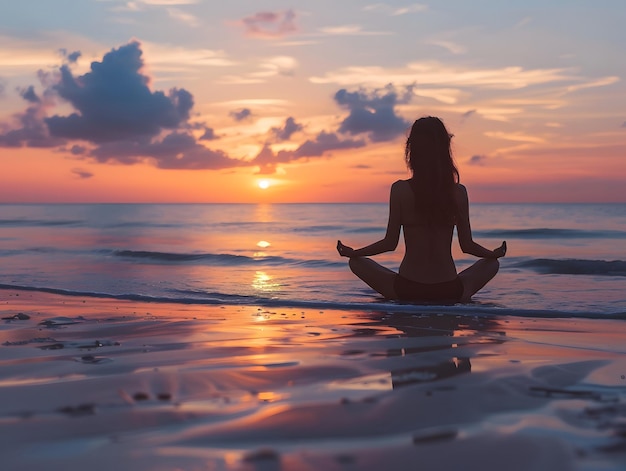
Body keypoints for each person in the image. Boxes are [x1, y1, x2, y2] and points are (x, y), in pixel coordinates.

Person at [337, 116, 506, 303]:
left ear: (412, 150)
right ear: (445, 149)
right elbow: (467, 246)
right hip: (449, 291)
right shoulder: (458, 192)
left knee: (356, 263)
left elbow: (389, 243)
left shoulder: (400, 190)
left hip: (407, 289)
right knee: (492, 264)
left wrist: (355, 253)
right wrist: (492, 254)